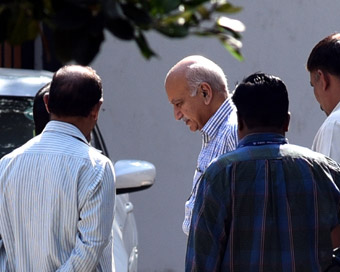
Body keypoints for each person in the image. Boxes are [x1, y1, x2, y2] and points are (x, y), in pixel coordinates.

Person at [186, 72, 340, 271]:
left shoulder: (219, 175)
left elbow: (200, 262)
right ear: (287, 121)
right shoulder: (323, 171)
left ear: (239, 122)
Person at [0, 65, 116, 271]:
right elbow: (91, 246)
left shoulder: (7, 163)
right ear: (96, 109)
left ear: (46, 103)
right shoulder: (96, 167)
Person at [164, 55, 238, 235]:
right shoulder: (218, 133)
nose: (177, 115)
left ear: (205, 92)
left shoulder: (233, 131)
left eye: (179, 104)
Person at [307, 32, 340, 163]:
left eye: (313, 85)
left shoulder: (335, 126)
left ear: (322, 79)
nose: (319, 105)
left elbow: (332, 183)